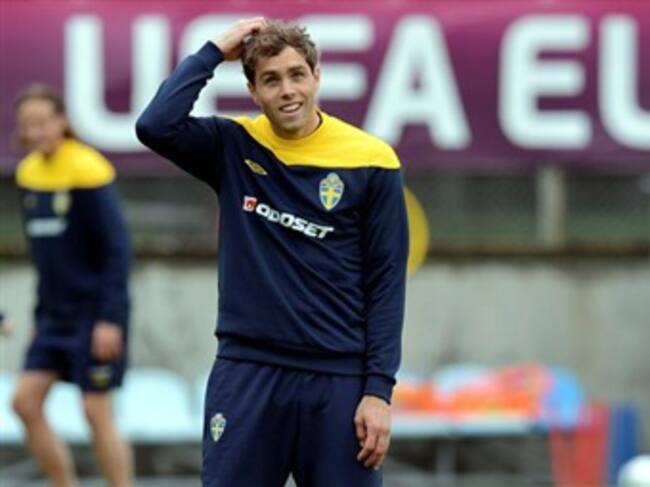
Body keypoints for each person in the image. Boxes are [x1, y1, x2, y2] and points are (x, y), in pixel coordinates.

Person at [136, 18, 408, 487]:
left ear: (316, 76)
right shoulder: (233, 145)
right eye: (271, 79)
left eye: (297, 74)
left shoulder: (372, 160)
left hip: (338, 381)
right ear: (253, 91)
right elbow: (155, 125)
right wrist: (212, 51)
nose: (287, 91)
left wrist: (378, 391)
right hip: (248, 374)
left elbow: (386, 283)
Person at [12, 83, 133, 487]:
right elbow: (45, 261)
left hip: (94, 315)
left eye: (43, 122)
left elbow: (117, 250)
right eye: (28, 124)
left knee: (95, 411)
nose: (36, 131)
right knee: (24, 402)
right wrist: (39, 317)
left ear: (62, 121)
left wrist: (110, 319)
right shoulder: (28, 174)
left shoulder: (88, 168)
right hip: (54, 318)